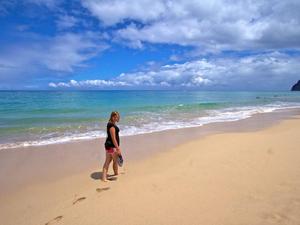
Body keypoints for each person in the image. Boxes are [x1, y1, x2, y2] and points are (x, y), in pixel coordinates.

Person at [102, 111, 123, 182]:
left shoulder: (110, 124)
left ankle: (104, 177)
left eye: (118, 116)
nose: (118, 118)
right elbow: (113, 138)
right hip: (112, 147)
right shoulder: (112, 126)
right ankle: (116, 173)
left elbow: (110, 137)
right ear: (113, 117)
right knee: (115, 160)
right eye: (116, 117)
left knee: (108, 161)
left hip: (109, 146)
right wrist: (118, 148)